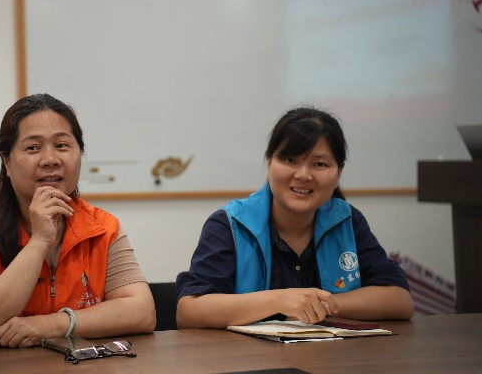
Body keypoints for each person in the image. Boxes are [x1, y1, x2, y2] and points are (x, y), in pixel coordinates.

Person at [0, 94, 156, 350]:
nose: (50, 159)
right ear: (6, 161)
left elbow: (142, 312)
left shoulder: (102, 227)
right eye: (33, 148)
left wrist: (50, 325)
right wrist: (39, 241)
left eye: (62, 145)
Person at [176, 105, 414, 329]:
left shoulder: (347, 220)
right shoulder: (230, 224)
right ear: (269, 163)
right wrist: (280, 301)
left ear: (339, 172)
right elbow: (189, 311)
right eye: (290, 160)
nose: (303, 175)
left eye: (319, 164)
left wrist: (318, 306)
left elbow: (399, 299)